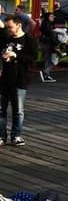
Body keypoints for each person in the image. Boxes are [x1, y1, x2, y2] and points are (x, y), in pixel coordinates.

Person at [0, 14, 38, 147]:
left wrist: (16, 55)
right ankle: (1, 136)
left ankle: (16, 135)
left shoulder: (29, 40)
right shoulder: (6, 38)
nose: (9, 30)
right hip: (4, 78)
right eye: (7, 27)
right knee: (1, 109)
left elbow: (33, 59)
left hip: (20, 79)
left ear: (19, 25)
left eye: (10, 27)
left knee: (18, 110)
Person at [38, 11, 61, 82]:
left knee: (49, 59)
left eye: (53, 16)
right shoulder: (48, 26)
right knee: (52, 60)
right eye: (51, 16)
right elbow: (51, 36)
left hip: (47, 44)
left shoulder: (46, 24)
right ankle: (46, 73)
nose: (53, 17)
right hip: (49, 44)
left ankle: (46, 74)